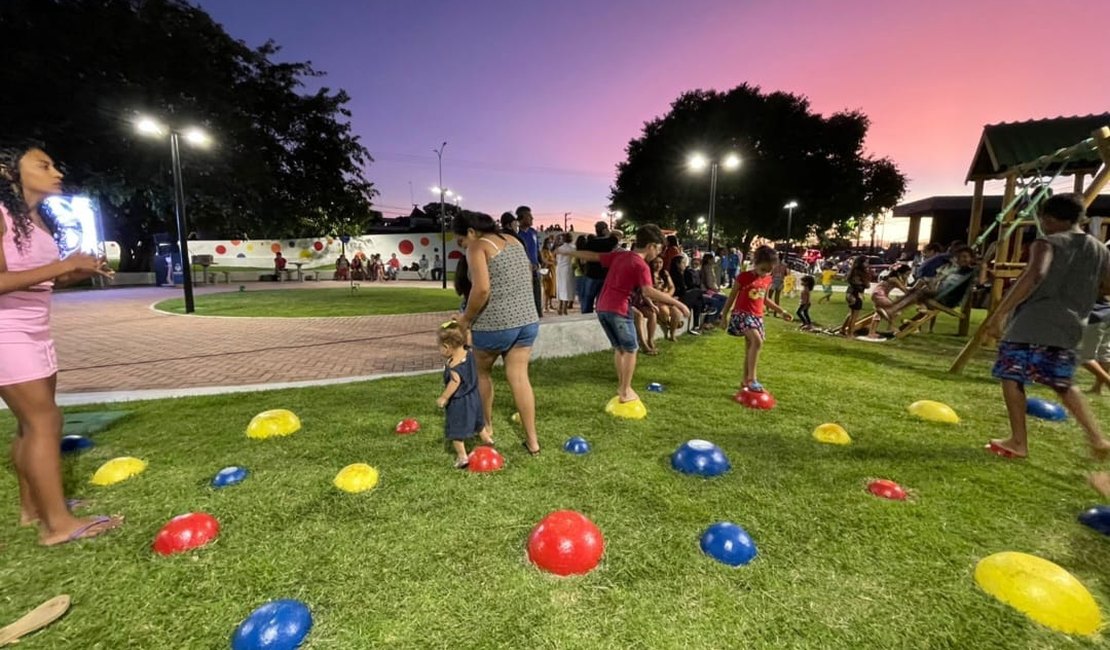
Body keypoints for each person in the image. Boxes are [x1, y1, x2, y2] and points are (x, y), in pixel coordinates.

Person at [0, 143, 123, 545]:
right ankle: (57, 525)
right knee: (44, 422)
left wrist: (79, 272)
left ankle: (34, 508)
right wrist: (65, 264)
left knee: (30, 424)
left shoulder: (35, 222)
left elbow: (36, 276)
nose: (56, 172)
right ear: (9, 172)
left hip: (34, 330)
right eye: (44, 165)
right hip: (7, 331)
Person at [979, 194, 1110, 497]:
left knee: (1011, 375)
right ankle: (1098, 439)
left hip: (1033, 322)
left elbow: (1034, 275)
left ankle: (1018, 441)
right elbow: (1107, 285)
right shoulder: (1101, 249)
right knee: (1062, 382)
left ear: (1049, 218)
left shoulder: (1047, 242)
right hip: (1071, 323)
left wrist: (999, 313)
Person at [560, 224, 690, 403]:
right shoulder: (641, 265)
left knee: (620, 348)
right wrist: (677, 303)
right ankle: (625, 390)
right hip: (619, 310)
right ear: (651, 246)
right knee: (631, 349)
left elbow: (594, 256)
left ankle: (622, 386)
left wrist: (569, 253)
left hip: (603, 308)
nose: (658, 254)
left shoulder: (620, 256)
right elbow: (647, 291)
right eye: (658, 249)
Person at [454, 212, 541, 456]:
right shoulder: (514, 240)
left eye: (461, 241)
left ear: (471, 232)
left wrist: (465, 320)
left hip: (495, 325)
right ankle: (532, 442)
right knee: (520, 378)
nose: (462, 247)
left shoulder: (478, 247)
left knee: (482, 374)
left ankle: (487, 428)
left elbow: (481, 290)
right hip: (527, 322)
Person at [722, 246, 792, 393]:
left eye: (769, 270)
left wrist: (782, 311)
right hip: (742, 315)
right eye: (762, 269)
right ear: (755, 263)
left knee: (750, 348)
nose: (765, 273)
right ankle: (752, 378)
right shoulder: (743, 277)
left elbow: (765, 299)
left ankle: (744, 380)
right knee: (757, 341)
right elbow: (731, 297)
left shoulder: (767, 279)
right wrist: (724, 316)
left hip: (757, 317)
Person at [436, 321, 493, 469]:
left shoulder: (454, 365)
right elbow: (468, 336)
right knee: (478, 420)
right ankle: (487, 439)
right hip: (474, 397)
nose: (440, 350)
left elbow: (454, 382)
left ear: (447, 347)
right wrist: (464, 328)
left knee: (456, 431)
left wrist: (444, 397)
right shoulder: (469, 352)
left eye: (440, 347)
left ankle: (462, 457)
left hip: (459, 402)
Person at [865, 262, 913, 339]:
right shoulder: (894, 279)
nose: (907, 276)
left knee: (878, 315)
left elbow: (904, 287)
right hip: (879, 295)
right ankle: (891, 327)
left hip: (877, 294)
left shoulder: (894, 278)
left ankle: (871, 333)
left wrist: (905, 279)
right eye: (907, 274)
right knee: (895, 310)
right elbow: (904, 289)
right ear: (900, 273)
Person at [580, 221, 618, 314]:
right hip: (606, 275)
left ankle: (586, 317)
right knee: (601, 300)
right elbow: (616, 235)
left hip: (592, 274)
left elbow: (583, 259)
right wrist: (608, 233)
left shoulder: (590, 243)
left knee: (588, 299)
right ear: (605, 230)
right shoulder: (611, 241)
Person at [516, 206, 542, 319]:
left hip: (536, 271)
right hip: (522, 273)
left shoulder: (533, 232)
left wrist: (541, 261)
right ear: (521, 218)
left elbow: (537, 250)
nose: (532, 218)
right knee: (525, 298)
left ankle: (539, 316)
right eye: (529, 216)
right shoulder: (516, 235)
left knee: (537, 296)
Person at [651, 255, 682, 341]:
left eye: (660, 262)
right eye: (656, 263)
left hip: (666, 299)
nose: (658, 265)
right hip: (655, 300)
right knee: (664, 311)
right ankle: (669, 323)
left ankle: (672, 334)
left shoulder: (665, 273)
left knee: (677, 312)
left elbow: (672, 287)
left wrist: (667, 295)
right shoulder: (648, 274)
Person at [839, 256, 870, 337]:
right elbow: (866, 285)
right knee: (854, 316)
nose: (867, 264)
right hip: (856, 294)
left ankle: (842, 329)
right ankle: (850, 333)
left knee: (851, 313)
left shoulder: (853, 271)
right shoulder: (859, 272)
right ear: (860, 263)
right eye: (866, 262)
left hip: (850, 293)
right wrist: (866, 282)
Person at [699, 253, 727, 328]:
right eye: (712, 258)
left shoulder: (709, 267)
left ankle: (716, 317)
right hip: (706, 290)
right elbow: (709, 282)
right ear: (709, 260)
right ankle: (709, 321)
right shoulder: (707, 268)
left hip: (709, 290)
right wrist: (716, 289)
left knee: (724, 298)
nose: (714, 260)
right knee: (718, 300)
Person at [555, 233, 576, 315]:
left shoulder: (559, 248)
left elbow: (556, 259)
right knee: (567, 289)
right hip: (567, 269)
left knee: (560, 288)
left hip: (559, 269)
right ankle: (564, 308)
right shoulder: (573, 247)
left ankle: (559, 307)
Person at [540, 236, 557, 312]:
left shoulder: (549, 251)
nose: (550, 244)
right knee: (546, 289)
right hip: (546, 271)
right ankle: (545, 306)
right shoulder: (543, 251)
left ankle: (550, 305)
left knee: (551, 289)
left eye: (551, 242)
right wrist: (552, 262)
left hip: (552, 272)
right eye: (549, 242)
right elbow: (544, 260)